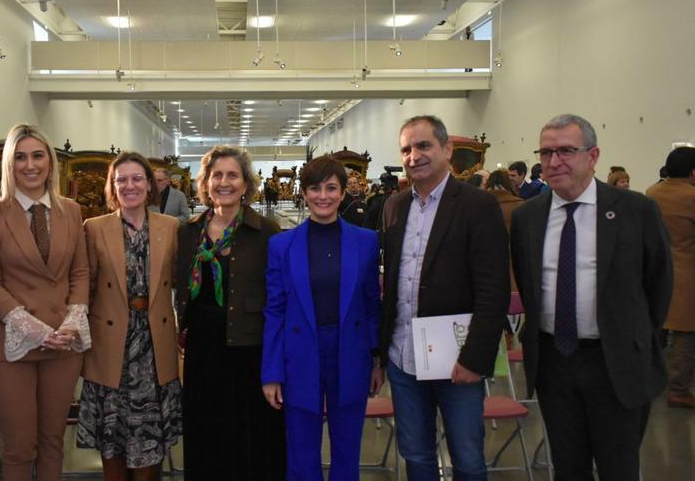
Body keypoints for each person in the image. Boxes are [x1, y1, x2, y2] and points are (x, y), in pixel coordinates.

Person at [510, 114, 673, 480]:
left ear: (593, 155)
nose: (554, 162)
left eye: (566, 151)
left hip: (615, 363)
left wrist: (637, 337)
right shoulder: (528, 218)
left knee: (619, 467)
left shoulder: (635, 210)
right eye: (547, 152)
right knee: (568, 467)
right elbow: (528, 283)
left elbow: (659, 282)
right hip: (554, 362)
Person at [380, 115, 509, 481]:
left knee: (467, 459)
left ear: (447, 149)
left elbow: (492, 289)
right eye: (406, 148)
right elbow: (392, 282)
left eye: (424, 146)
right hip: (403, 357)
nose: (413, 156)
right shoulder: (395, 206)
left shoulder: (477, 205)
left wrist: (475, 358)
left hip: (457, 361)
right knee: (416, 455)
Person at [0, 123, 90, 481]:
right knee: (20, 447)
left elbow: (81, 273)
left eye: (38, 155)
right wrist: (33, 328)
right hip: (12, 345)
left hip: (63, 343)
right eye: (20, 157)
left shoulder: (71, 210)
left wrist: (72, 321)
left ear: (51, 162)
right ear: (9, 164)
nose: (30, 165)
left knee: (53, 442)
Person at [262, 156, 383, 480]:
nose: (323, 196)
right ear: (303, 193)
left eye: (331, 188)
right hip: (300, 352)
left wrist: (376, 360)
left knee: (347, 448)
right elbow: (274, 310)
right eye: (315, 188)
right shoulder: (282, 246)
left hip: (350, 350)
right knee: (301, 449)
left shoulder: (366, 242)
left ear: (343, 193)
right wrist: (271, 373)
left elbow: (372, 304)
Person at [175, 145, 285, 480]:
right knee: (207, 433)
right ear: (205, 182)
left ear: (246, 183)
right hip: (203, 350)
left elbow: (280, 299)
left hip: (250, 350)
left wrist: (276, 367)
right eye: (216, 175)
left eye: (232, 175)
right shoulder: (188, 231)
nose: (224, 182)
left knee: (251, 437)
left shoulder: (266, 231)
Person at [77, 152, 182, 480]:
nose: (129, 185)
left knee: (149, 435)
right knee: (113, 436)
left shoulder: (171, 227)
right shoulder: (94, 228)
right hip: (111, 344)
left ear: (150, 185)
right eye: (121, 179)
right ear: (112, 186)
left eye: (137, 178)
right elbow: (85, 285)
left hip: (153, 346)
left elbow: (183, 282)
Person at [646, 146, 695, 408]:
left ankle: (648, 379)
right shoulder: (692, 196)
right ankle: (678, 389)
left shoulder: (653, 193)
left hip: (655, 272)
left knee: (657, 331)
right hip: (687, 274)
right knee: (686, 335)